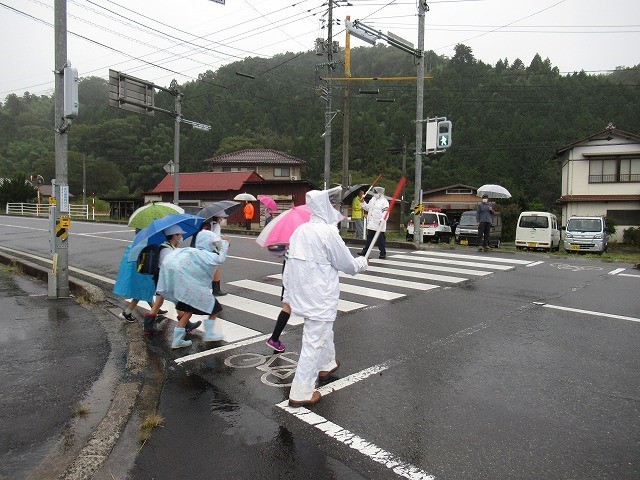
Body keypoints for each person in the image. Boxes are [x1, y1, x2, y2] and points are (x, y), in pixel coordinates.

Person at [283, 188, 368, 407]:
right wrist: (362, 263)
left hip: (305, 295)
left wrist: (290, 295)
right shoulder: (327, 233)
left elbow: (289, 265)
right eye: (334, 204)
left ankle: (327, 364)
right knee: (314, 340)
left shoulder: (300, 231)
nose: (337, 208)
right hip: (320, 296)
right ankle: (301, 391)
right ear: (325, 207)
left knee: (323, 332)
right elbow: (347, 264)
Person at [156, 230, 229, 349]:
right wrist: (224, 244)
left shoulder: (190, 251)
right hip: (197, 291)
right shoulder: (207, 255)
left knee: (187, 313)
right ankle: (210, 333)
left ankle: (177, 340)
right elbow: (220, 259)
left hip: (185, 291)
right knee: (215, 309)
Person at [143, 225, 201, 335]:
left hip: (163, 280)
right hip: (166, 282)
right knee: (178, 301)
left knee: (159, 303)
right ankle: (185, 325)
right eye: (180, 234)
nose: (182, 236)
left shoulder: (169, 247)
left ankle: (148, 327)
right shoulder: (166, 250)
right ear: (174, 236)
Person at [113, 229, 156, 323]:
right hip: (143, 272)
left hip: (138, 272)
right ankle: (127, 312)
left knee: (145, 290)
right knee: (142, 291)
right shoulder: (145, 244)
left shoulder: (136, 243)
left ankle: (155, 308)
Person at [266, 244, 290, 353]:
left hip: (288, 272)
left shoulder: (289, 233)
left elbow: (277, 250)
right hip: (299, 273)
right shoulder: (305, 232)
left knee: (288, 306)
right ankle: (274, 338)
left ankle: (274, 339)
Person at [357, 186, 389, 259]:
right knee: (369, 239)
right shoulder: (373, 199)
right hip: (371, 223)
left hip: (379, 224)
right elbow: (367, 208)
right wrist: (362, 202)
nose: (375, 194)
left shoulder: (384, 202)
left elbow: (386, 212)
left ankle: (382, 253)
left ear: (380, 193)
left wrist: (382, 220)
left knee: (380, 240)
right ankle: (364, 252)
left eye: (376, 192)